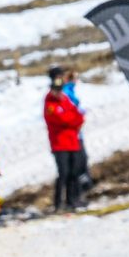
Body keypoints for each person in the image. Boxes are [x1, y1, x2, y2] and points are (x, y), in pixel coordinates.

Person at [44, 67, 89, 211]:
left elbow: (78, 115)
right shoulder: (50, 103)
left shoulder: (65, 100)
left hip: (72, 141)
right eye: (56, 90)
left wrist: (74, 120)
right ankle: (58, 203)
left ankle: (73, 200)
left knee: (74, 172)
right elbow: (62, 119)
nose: (58, 92)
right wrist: (73, 120)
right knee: (63, 173)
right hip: (60, 144)